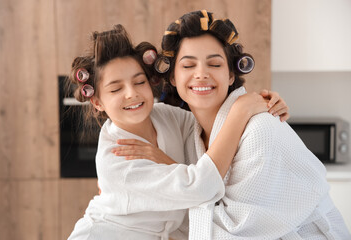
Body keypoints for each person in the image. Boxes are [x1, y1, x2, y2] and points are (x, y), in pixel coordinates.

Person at [117, 10, 350, 239]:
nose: (201, 74)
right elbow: (198, 187)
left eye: (215, 65)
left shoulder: (260, 131)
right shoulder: (190, 130)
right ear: (173, 78)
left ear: (231, 75)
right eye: (188, 66)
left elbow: (236, 229)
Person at [66, 25, 289, 240]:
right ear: (97, 102)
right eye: (116, 89)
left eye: (139, 81)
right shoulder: (117, 158)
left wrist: (264, 103)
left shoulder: (164, 115)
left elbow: (214, 125)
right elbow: (201, 188)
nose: (131, 94)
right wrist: (242, 111)